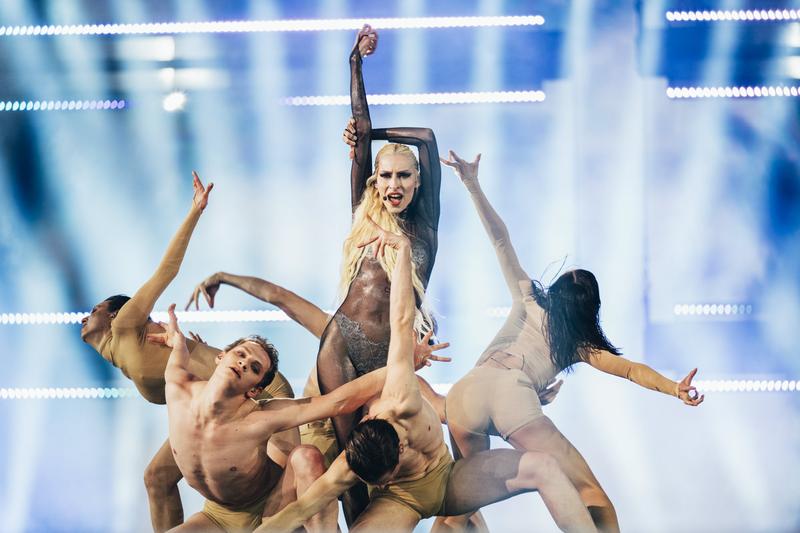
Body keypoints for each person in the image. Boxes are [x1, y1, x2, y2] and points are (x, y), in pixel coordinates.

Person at [257, 219, 596, 533]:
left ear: (400, 444)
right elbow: (300, 510)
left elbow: (402, 320)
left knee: (544, 466)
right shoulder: (350, 465)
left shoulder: (402, 393)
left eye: (390, 471)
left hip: (448, 481)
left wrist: (403, 249)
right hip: (402, 501)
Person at [437, 150, 705, 532]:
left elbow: (500, 240)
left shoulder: (528, 297)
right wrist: (673, 388)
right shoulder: (579, 344)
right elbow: (629, 370)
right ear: (589, 311)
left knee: (460, 510)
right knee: (591, 494)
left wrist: (472, 185)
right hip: (511, 397)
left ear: (558, 290)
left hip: (464, 393)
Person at [79, 172, 296, 531]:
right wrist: (198, 352)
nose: (87, 316)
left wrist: (195, 211)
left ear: (114, 313)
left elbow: (167, 270)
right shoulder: (128, 358)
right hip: (231, 402)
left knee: (277, 504)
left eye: (94, 309)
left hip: (264, 390)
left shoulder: (126, 325)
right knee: (157, 478)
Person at [314, 24, 443, 522]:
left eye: (403, 175)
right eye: (384, 174)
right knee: (354, 463)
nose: (393, 183)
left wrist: (378, 137)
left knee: (397, 456)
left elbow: (427, 138)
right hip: (342, 342)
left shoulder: (426, 223)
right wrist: (355, 63)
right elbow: (361, 125)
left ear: (417, 180)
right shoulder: (363, 210)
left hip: (390, 350)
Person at [151, 304, 395, 532]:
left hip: (272, 506)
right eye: (240, 354)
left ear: (254, 390)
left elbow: (337, 402)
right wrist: (177, 340)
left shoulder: (259, 417)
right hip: (219, 516)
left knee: (306, 456)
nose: (244, 363)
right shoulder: (177, 386)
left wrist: (399, 364)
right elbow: (178, 356)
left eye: (254, 368)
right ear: (221, 356)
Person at [186, 271, 452, 470]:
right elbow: (280, 297)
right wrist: (224, 277)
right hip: (307, 428)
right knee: (291, 479)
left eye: (417, 337)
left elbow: (445, 410)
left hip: (351, 450)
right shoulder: (344, 339)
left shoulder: (405, 379)